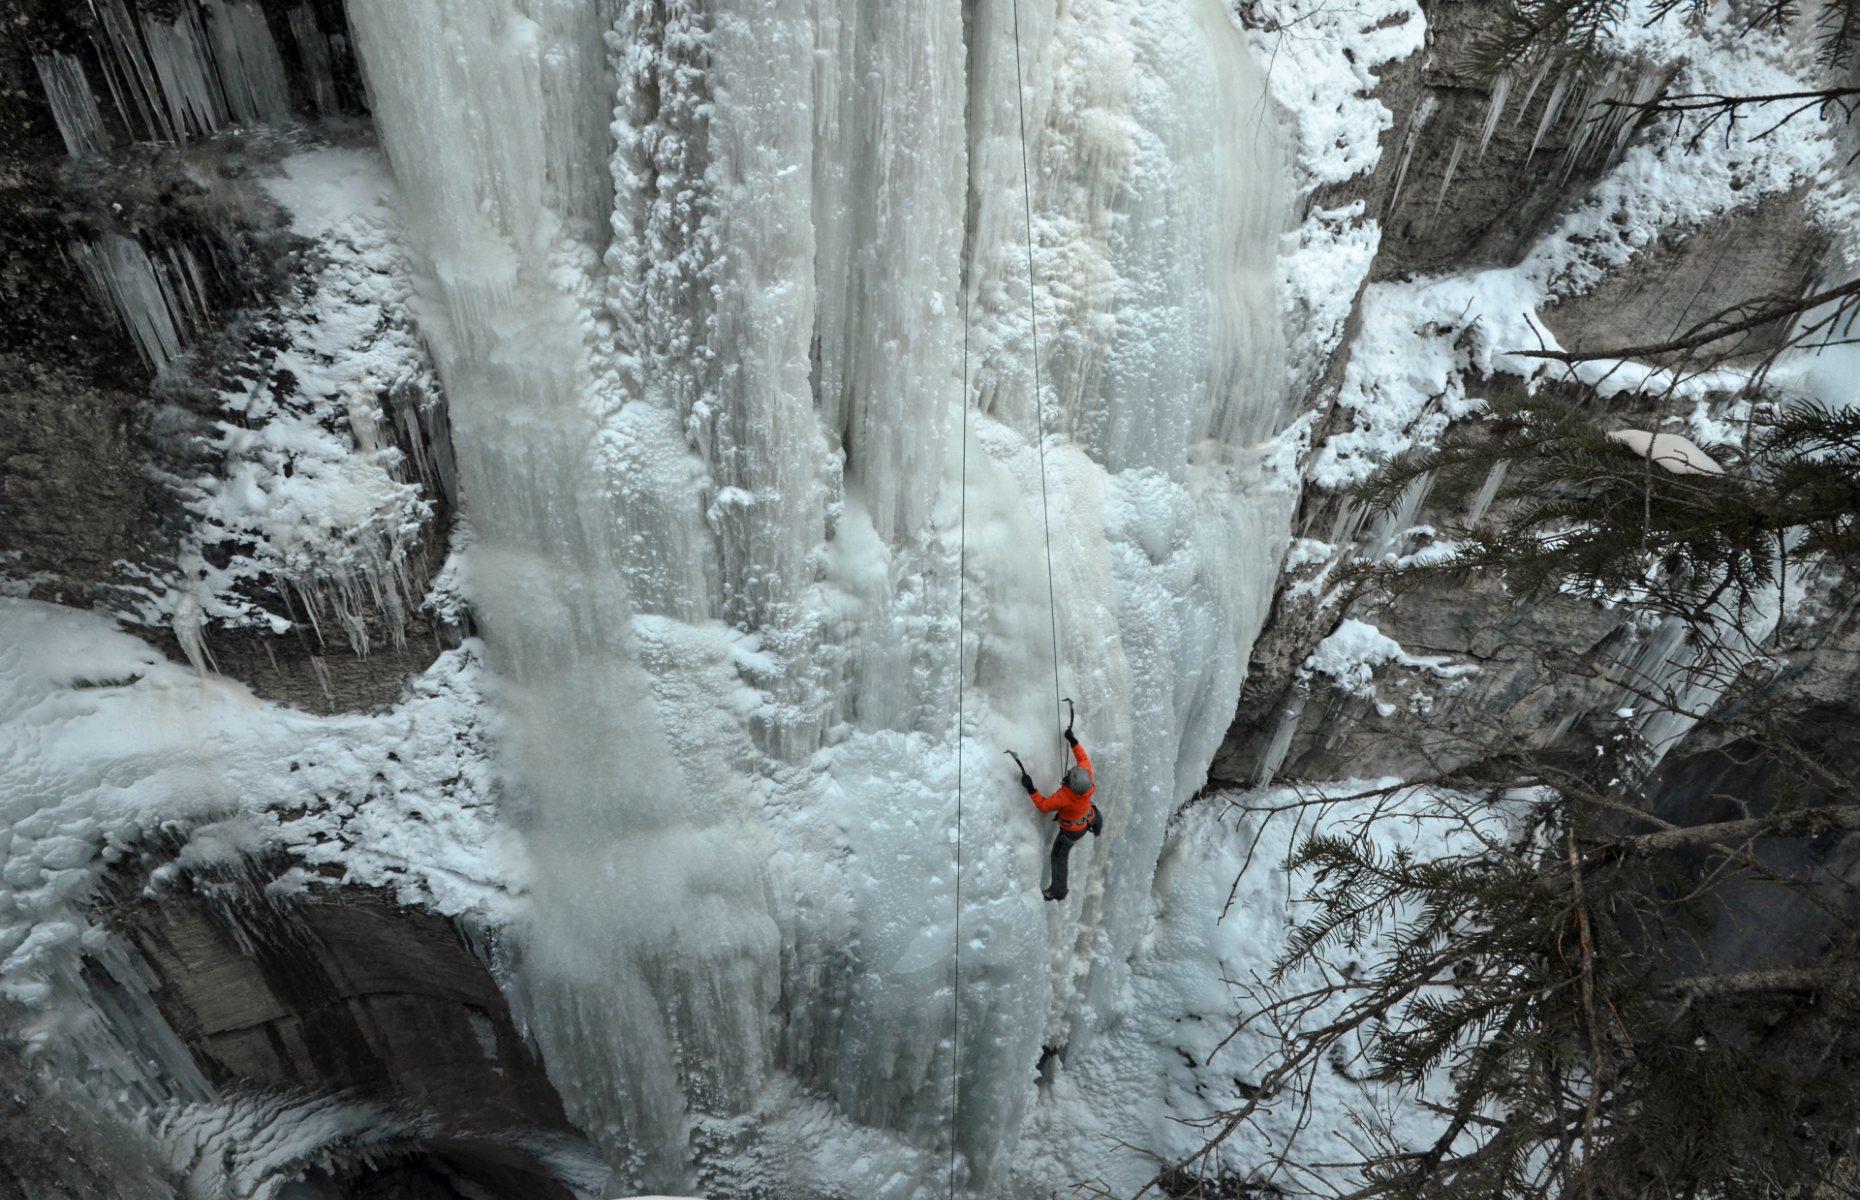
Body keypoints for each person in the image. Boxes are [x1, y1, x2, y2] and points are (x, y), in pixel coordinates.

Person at [1016, 710, 1103, 902]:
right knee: (1093, 811)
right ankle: (1097, 826)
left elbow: (1044, 806)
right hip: (1088, 815)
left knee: (1058, 858)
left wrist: (1031, 788)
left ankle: (1058, 890)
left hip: (1071, 831)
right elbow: (1083, 758)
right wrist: (1073, 741)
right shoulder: (1088, 778)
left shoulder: (1065, 796)